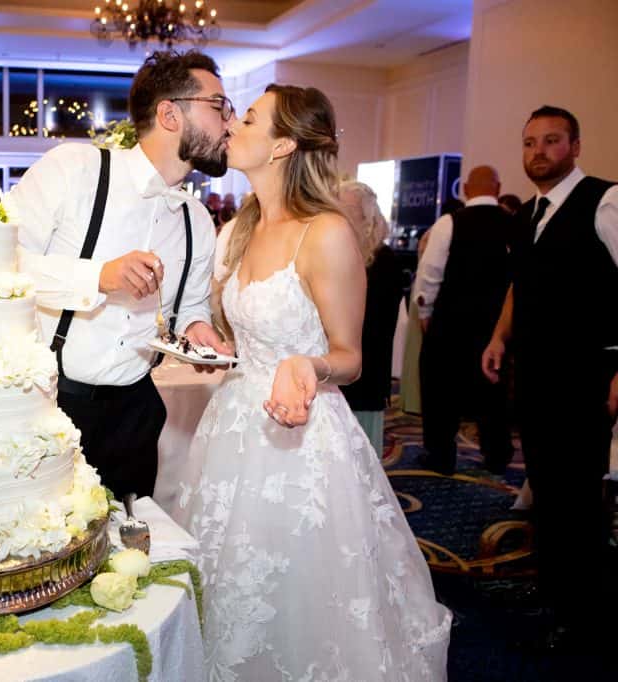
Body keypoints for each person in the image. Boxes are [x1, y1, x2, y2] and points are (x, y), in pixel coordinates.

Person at [178, 84, 450, 680]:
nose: (230, 126)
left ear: (283, 145)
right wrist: (215, 346)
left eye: (247, 119)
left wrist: (310, 365)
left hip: (302, 440)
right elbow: (239, 335)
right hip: (233, 428)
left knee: (302, 591)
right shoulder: (239, 230)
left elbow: (349, 357)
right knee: (230, 582)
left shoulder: (324, 232)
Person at [10, 50, 232, 500]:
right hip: (49, 406)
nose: (230, 123)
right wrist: (97, 276)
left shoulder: (197, 220)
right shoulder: (73, 170)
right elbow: (0, 264)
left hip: (137, 411)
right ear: (170, 114)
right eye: (219, 106)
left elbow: (189, 304)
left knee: (127, 556)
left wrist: (198, 329)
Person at [482, 105, 618, 651]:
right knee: (547, 487)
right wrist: (498, 336)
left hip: (586, 376)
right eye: (530, 143)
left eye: (552, 141)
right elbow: (522, 285)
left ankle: (584, 614)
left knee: (579, 499)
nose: (538, 152)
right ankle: (554, 593)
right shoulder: (527, 215)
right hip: (535, 375)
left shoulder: (605, 201)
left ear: (575, 146)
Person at [414, 166, 514, 476]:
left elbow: (430, 273)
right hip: (496, 324)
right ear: (497, 189)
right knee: (494, 393)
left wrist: (425, 312)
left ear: (466, 189)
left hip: (451, 321)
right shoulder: (513, 223)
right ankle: (497, 454)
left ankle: (441, 455)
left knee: (440, 390)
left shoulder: (449, 223)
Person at [339, 181, 405, 453]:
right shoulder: (346, 251)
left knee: (361, 452)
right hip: (343, 366)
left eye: (345, 206)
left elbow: (375, 324)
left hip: (365, 369)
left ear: (367, 216)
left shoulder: (383, 259)